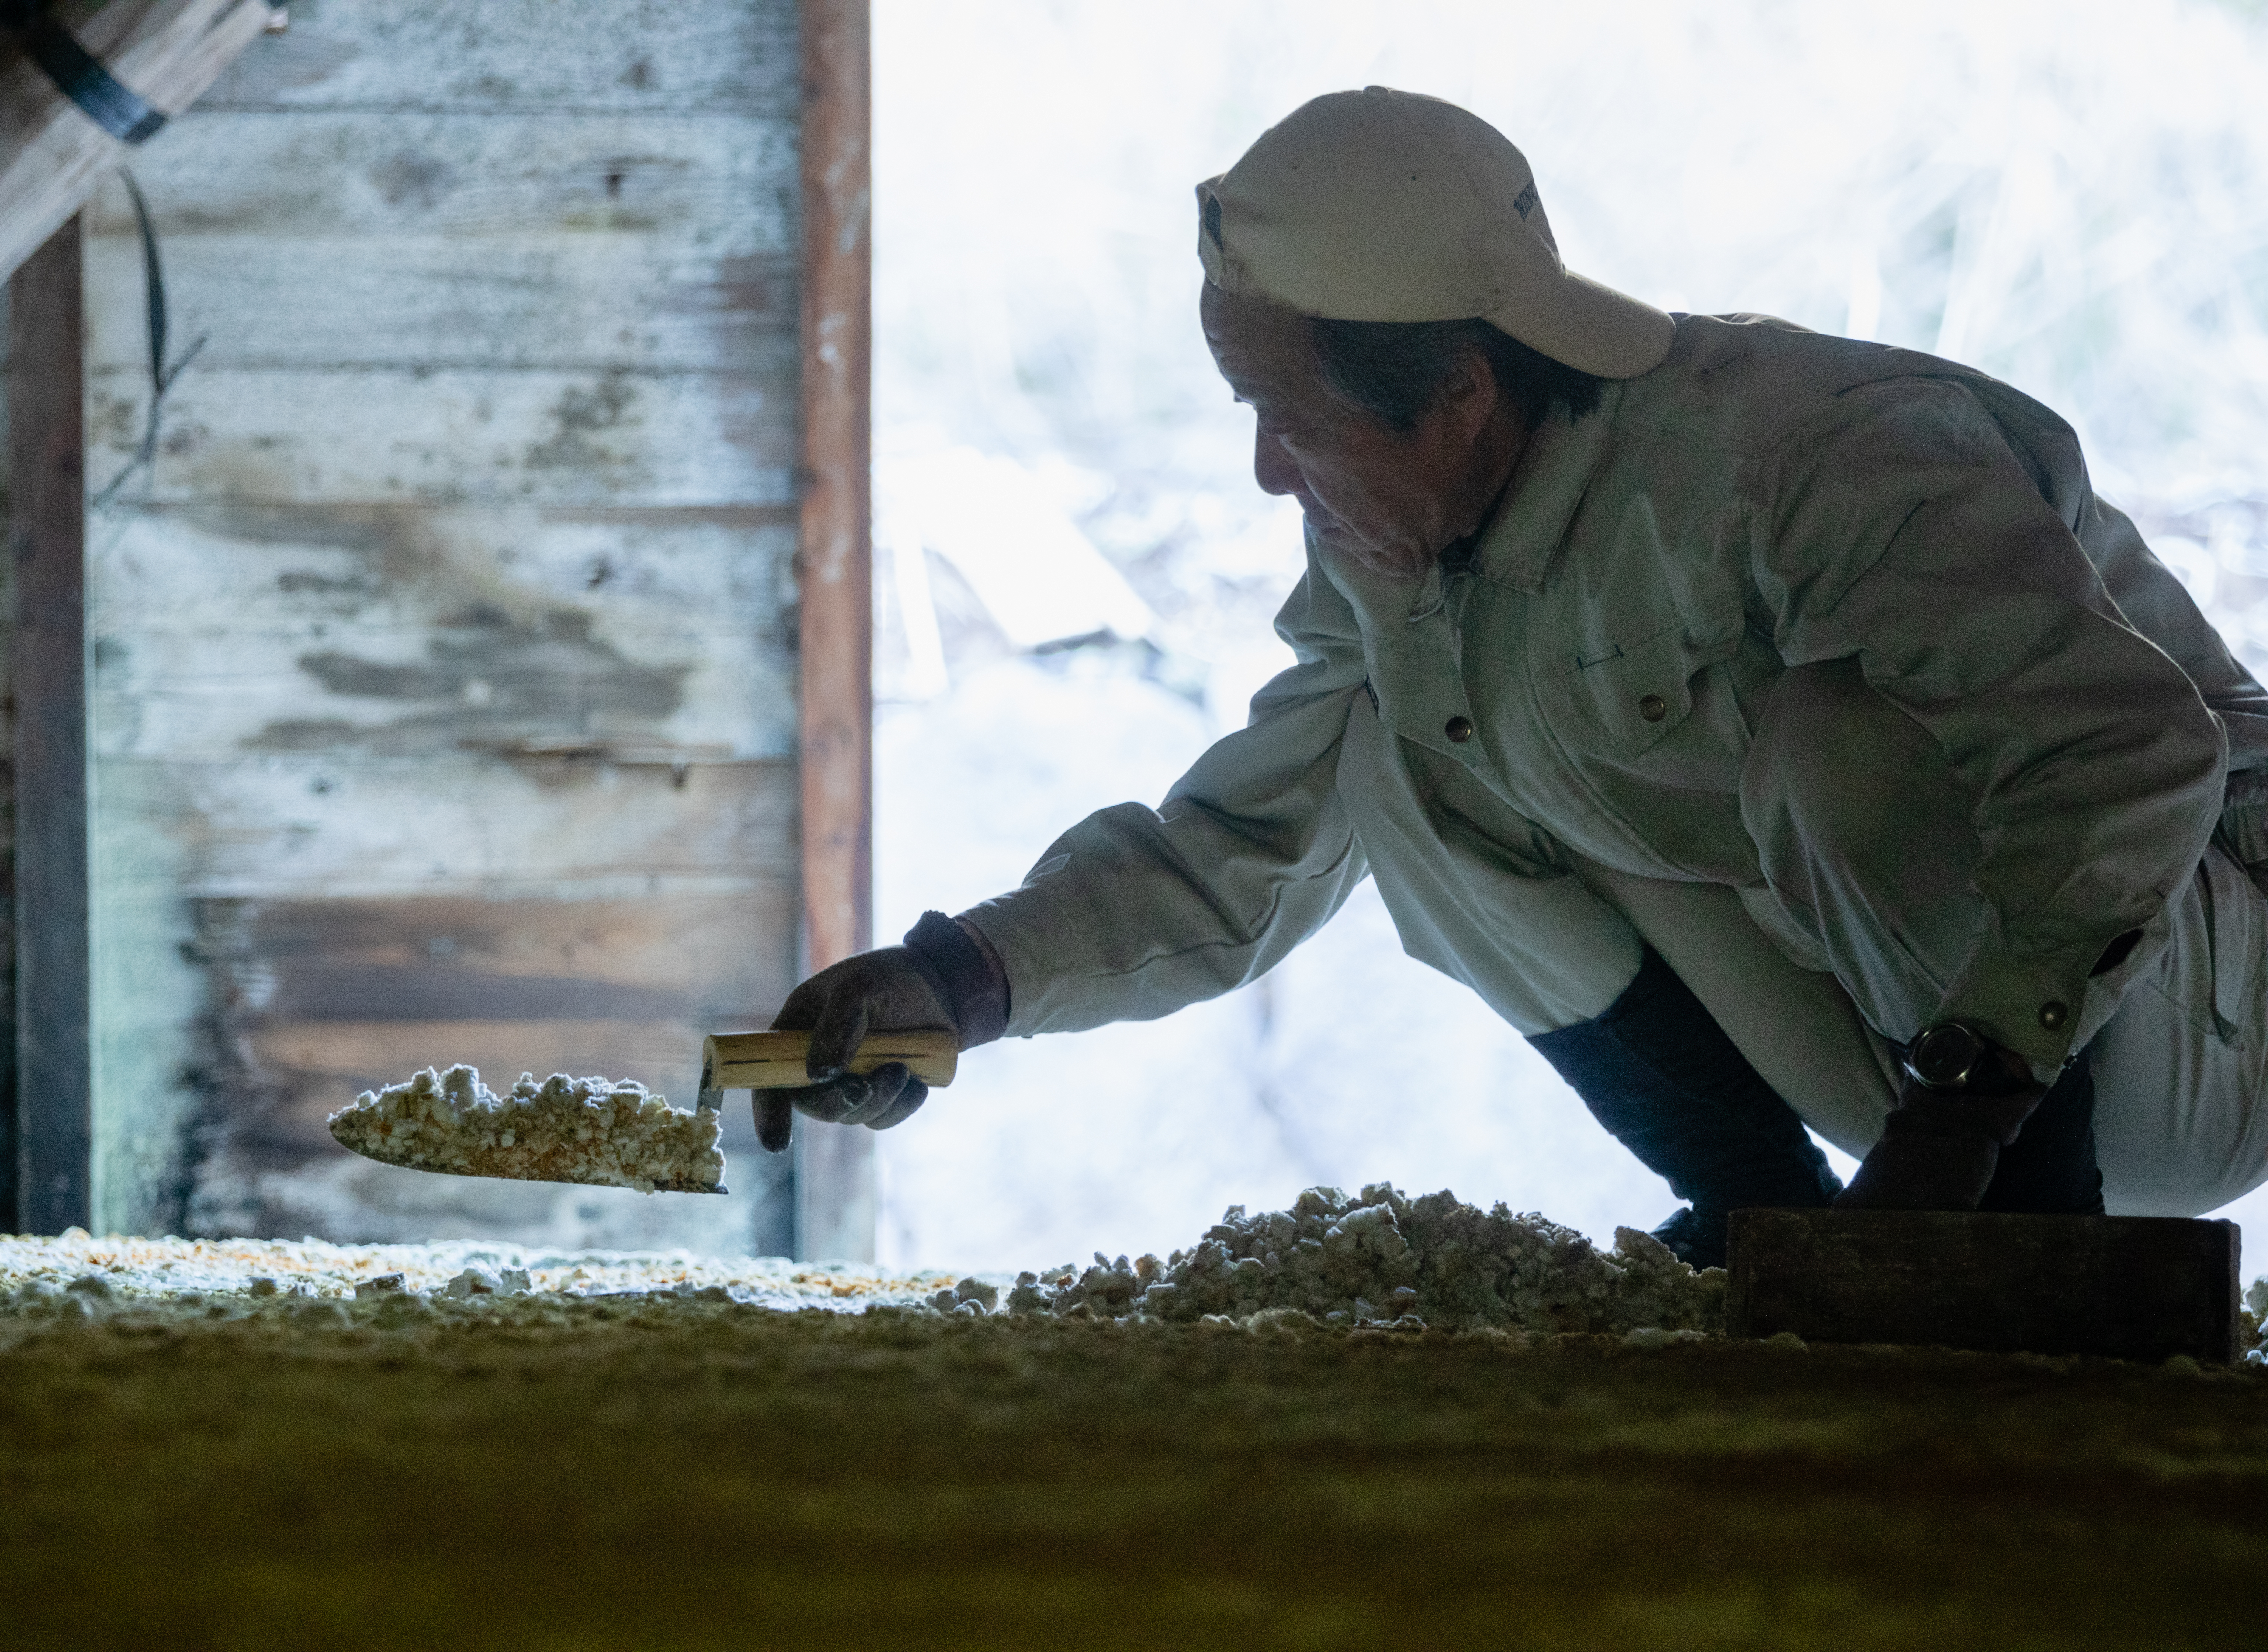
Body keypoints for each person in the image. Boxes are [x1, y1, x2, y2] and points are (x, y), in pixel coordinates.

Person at [753, 88, 2268, 1266]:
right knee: (1393, 763)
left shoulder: (1815, 452)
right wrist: (952, 985)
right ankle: (1760, 1228)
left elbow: (2125, 756)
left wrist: (1969, 1119)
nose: (1268, 469)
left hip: (2181, 1018)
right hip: (1923, 1079)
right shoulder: (1398, 559)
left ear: (1462, 395)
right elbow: (1245, 848)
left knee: (1841, 741)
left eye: (1291, 417)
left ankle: (2029, 1267)